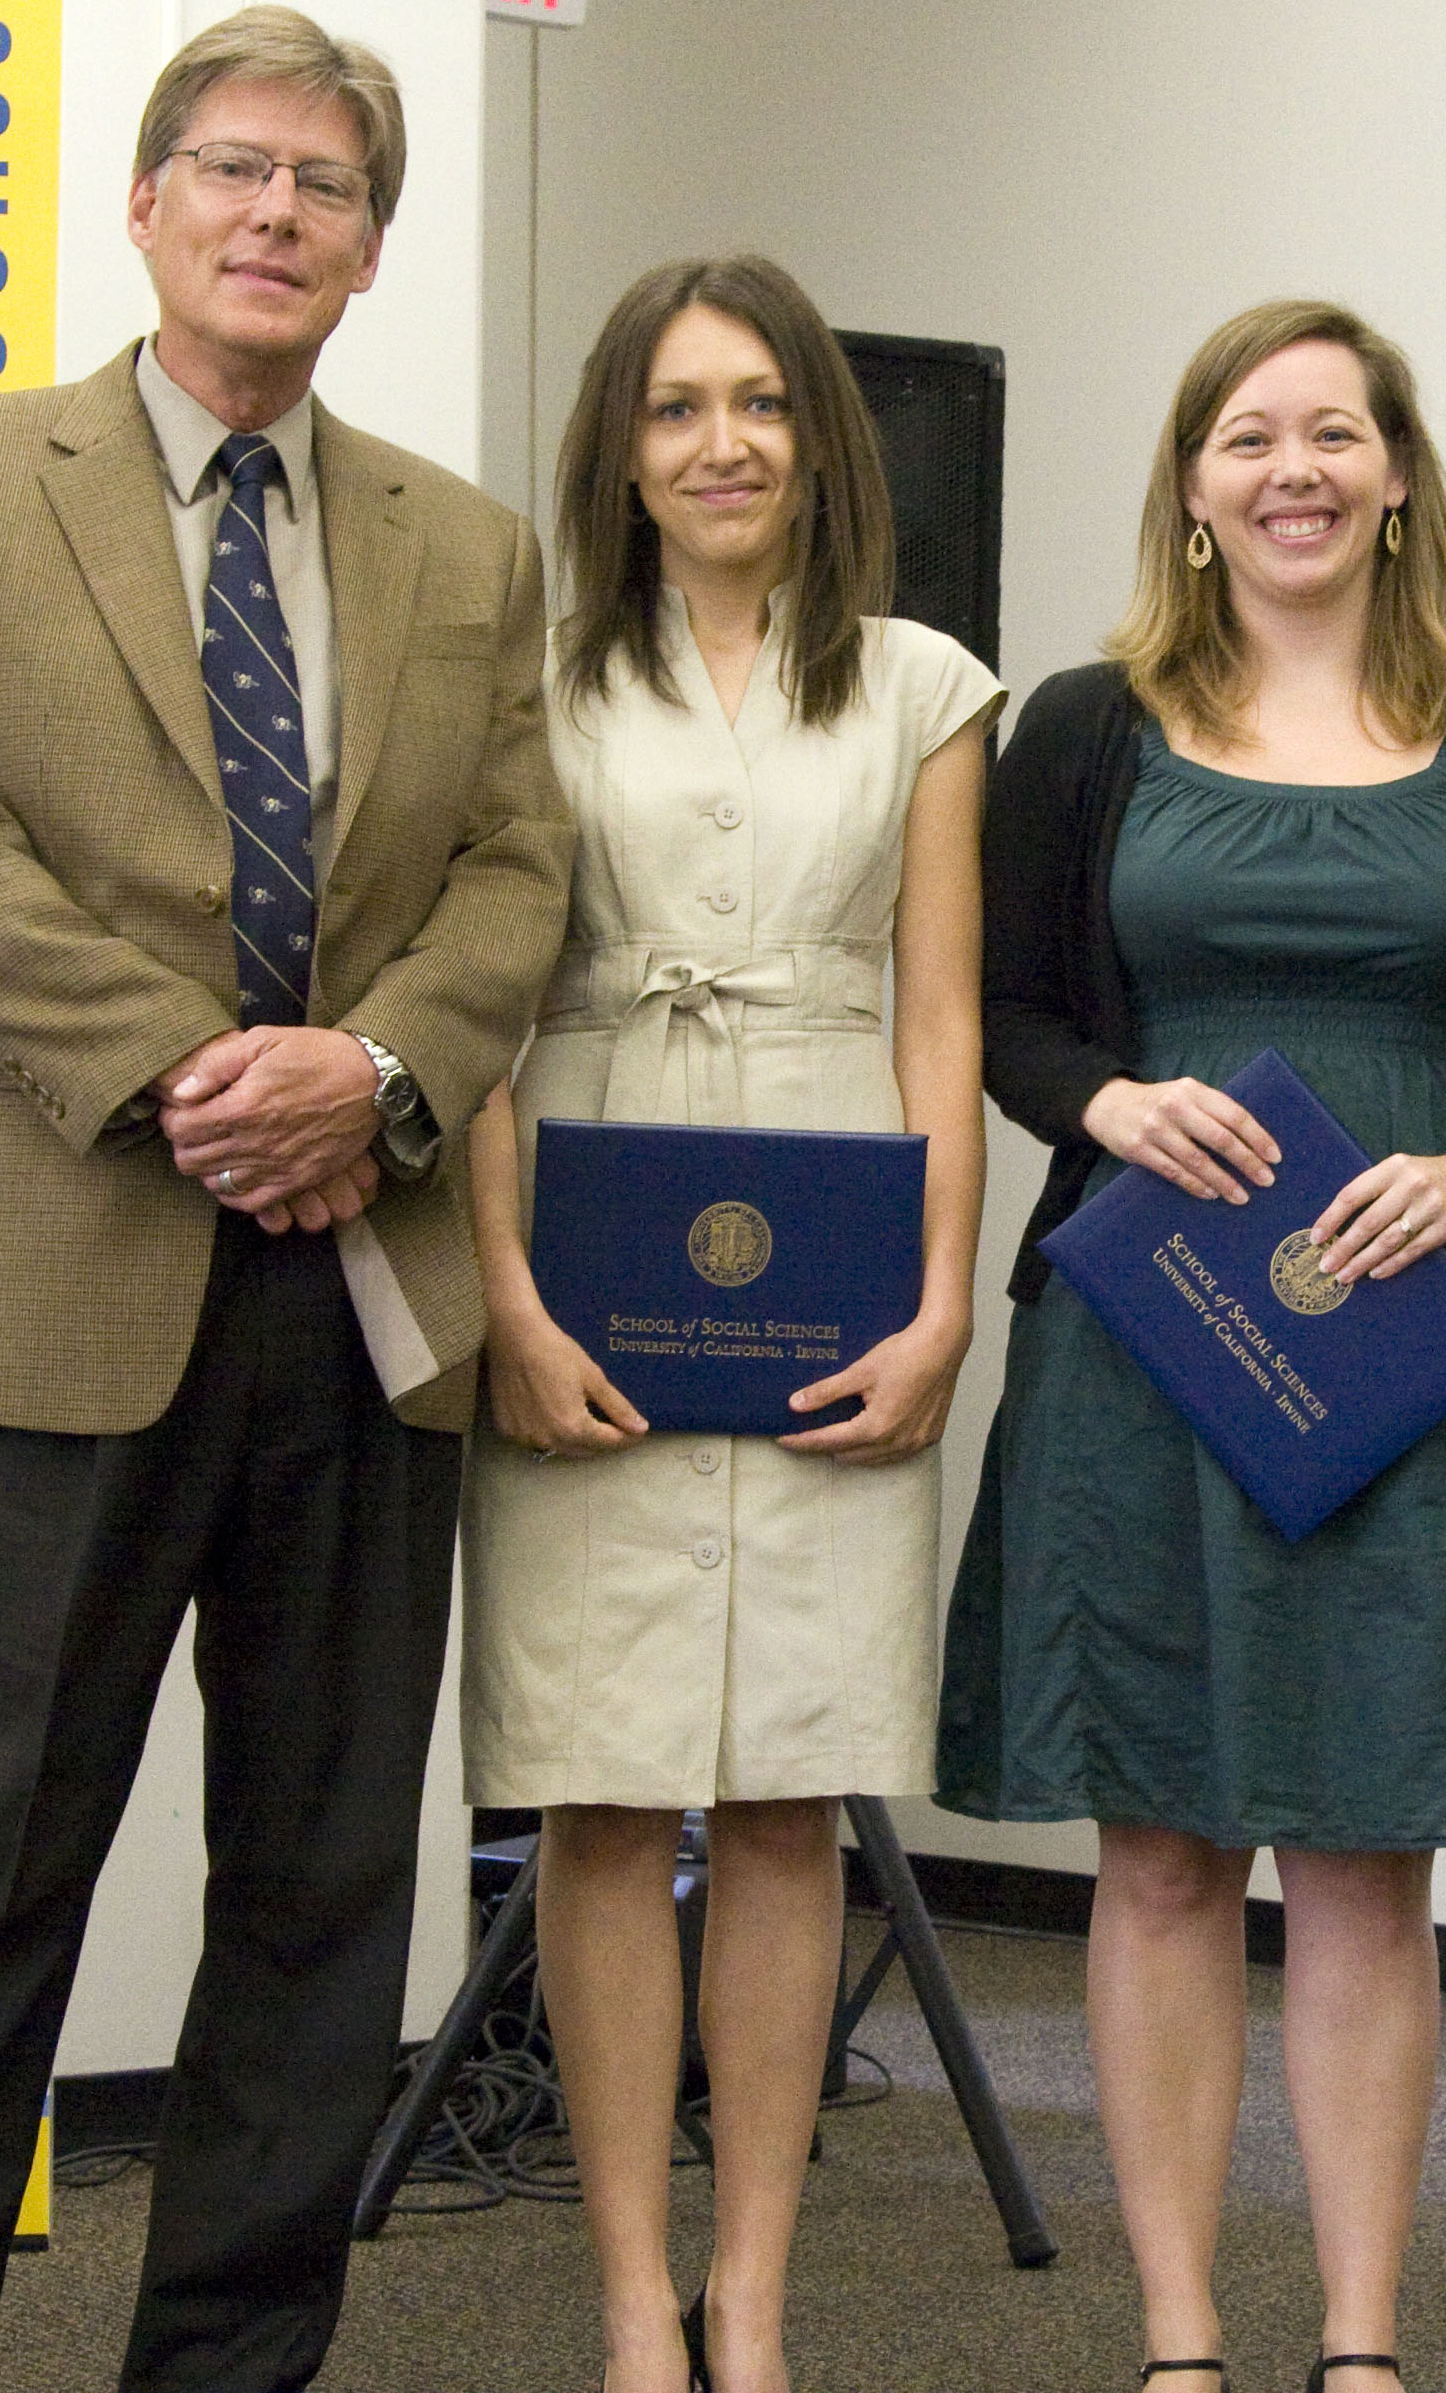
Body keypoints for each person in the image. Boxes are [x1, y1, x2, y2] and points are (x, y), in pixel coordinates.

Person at [0, 7, 571, 2393]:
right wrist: (188, 1076)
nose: (274, 214)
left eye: (325, 186)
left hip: (366, 1299)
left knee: (320, 1898)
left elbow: (519, 872)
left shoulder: (465, 543)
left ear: (371, 248)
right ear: (143, 203)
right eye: (232, 166)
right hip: (60, 1263)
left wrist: (375, 1074)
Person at [938, 299, 1446, 2393]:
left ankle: (1357, 2344)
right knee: (1158, 1852)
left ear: (1398, 474)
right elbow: (1002, 1013)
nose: (1293, 471)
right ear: (1192, 484)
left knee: (1365, 1856)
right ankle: (1178, 2338)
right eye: (1249, 437)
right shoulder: (1087, 730)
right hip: (1148, 1345)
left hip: (1414, 1347)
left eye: (1335, 434)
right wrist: (1107, 1103)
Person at [458, 255, 1000, 2393]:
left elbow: (943, 1016)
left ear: (820, 437)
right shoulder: (524, 675)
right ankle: (630, 2298)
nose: (722, 444)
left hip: (839, 1249)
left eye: (761, 403)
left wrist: (943, 1307)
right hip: (583, 1241)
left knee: (790, 1797)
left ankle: (751, 2297)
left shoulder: (926, 685)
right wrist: (504, 1299)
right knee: (598, 1795)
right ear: (622, 447)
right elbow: (478, 1009)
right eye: (677, 407)